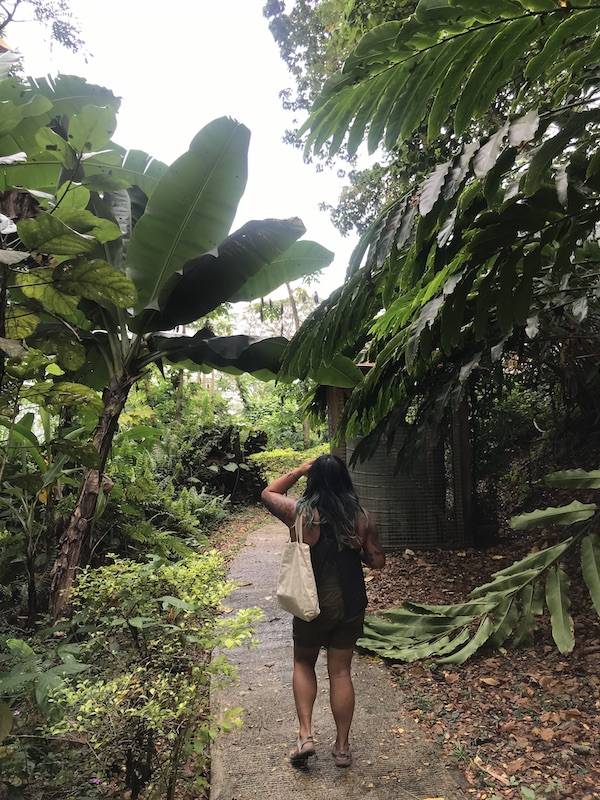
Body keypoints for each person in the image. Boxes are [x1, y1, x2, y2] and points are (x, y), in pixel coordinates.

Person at [261, 454, 385, 768]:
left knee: (303, 662)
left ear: (313, 481)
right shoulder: (363, 517)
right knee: (341, 672)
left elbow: (268, 493)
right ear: (345, 480)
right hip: (350, 604)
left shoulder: (299, 513)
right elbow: (377, 561)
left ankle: (305, 736)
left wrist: (299, 470)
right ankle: (342, 748)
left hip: (310, 603)